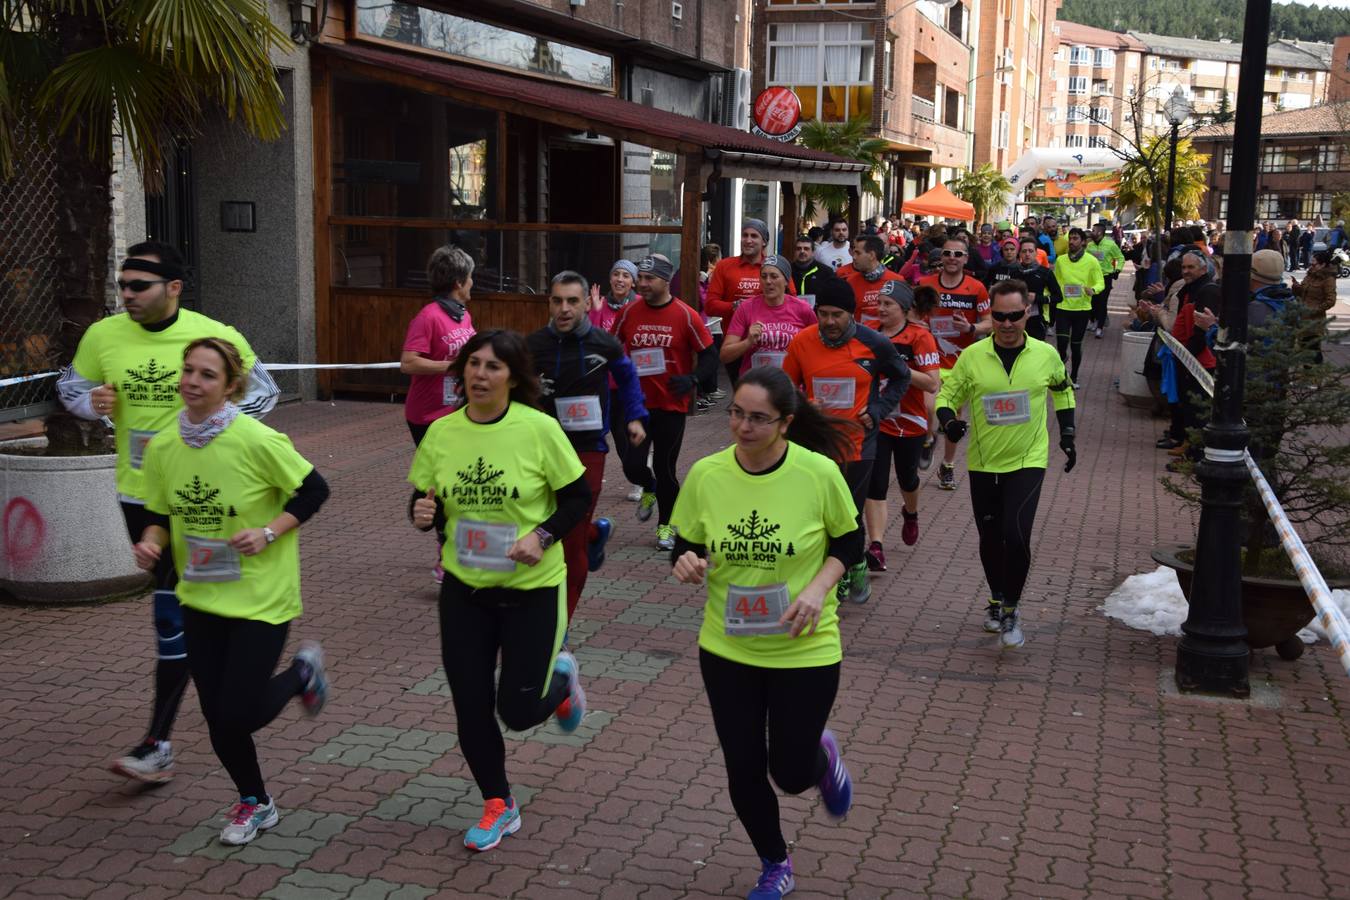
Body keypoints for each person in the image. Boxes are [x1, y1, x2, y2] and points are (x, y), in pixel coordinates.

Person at [57, 241, 279, 785]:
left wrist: (206, 425)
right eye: (121, 285)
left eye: (138, 286)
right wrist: (91, 405)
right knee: (184, 612)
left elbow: (264, 394)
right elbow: (72, 387)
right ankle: (232, 698)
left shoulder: (213, 337)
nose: (125, 295)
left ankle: (163, 738)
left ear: (173, 288)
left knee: (178, 614)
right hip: (139, 496)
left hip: (202, 501)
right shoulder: (102, 335)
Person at [668, 365, 862, 900]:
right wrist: (684, 560)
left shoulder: (817, 473)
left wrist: (820, 587)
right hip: (727, 645)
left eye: (758, 418)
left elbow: (850, 543)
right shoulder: (707, 474)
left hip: (805, 645)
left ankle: (821, 760)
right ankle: (775, 861)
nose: (743, 427)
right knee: (743, 766)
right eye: (736, 413)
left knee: (792, 773)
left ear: (785, 423)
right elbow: (685, 541)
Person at [135, 337, 329, 845]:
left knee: (237, 710)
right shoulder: (163, 445)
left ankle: (301, 674)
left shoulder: (256, 440)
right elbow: (159, 512)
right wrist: (151, 542)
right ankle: (255, 802)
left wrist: (270, 531)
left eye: (207, 375)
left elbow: (315, 490)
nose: (192, 382)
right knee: (217, 717)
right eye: (188, 371)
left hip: (262, 596)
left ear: (230, 386)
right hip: (201, 596)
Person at [407, 329, 591, 852]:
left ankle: (563, 682)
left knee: (517, 710)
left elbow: (577, 498)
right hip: (464, 591)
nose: (480, 374)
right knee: (470, 704)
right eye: (473, 364)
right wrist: (421, 515)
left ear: (513, 377)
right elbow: (428, 503)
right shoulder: (441, 433)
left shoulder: (538, 429)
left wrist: (543, 534)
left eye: (492, 366)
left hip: (531, 588)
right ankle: (499, 803)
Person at [935, 280, 1077, 649]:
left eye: (1015, 315)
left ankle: (1011, 608)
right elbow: (948, 394)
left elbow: (1062, 389)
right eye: (1000, 316)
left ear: (1027, 312)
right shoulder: (973, 356)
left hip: (1028, 459)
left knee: (1016, 535)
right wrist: (949, 421)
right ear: (991, 315)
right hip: (983, 462)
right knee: (990, 538)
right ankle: (997, 597)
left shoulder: (1045, 355)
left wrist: (1068, 434)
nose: (1008, 323)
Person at [528, 271, 648, 622]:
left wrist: (635, 417)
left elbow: (628, 378)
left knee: (571, 542)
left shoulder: (603, 343)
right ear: (549, 303)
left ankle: (560, 628)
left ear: (585, 304)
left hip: (588, 449)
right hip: (544, 448)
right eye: (557, 301)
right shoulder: (533, 346)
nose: (564, 309)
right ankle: (596, 533)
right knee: (554, 520)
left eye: (572, 301)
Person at [782, 279, 910, 604]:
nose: (828, 322)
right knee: (820, 513)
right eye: (822, 314)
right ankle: (845, 566)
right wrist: (801, 407)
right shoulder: (802, 343)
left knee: (849, 513)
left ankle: (851, 565)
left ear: (851, 314)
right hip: (816, 444)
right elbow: (783, 389)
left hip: (858, 442)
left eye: (836, 314)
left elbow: (901, 376)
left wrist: (878, 408)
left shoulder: (875, 343)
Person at [615, 254, 718, 549]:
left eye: (649, 279)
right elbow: (612, 347)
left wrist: (694, 380)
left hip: (671, 405)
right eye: (641, 278)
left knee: (665, 466)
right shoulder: (629, 312)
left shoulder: (685, 315)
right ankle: (648, 487)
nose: (642, 284)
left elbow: (710, 356)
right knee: (632, 466)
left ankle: (665, 526)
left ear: (664, 281)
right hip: (637, 405)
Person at [400, 245, 478, 583]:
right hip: (428, 416)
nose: (473, 284)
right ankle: (445, 556)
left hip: (457, 412)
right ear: (459, 281)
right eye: (470, 278)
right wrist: (451, 365)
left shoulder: (462, 314)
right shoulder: (428, 316)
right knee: (444, 486)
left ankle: (448, 546)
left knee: (453, 483)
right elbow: (409, 362)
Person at [864, 281, 940, 570]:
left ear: (904, 309)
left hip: (910, 419)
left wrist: (899, 368)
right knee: (876, 482)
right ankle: (877, 545)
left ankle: (911, 512)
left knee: (908, 479)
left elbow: (932, 382)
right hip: (877, 418)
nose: (881, 308)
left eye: (888, 304)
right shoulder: (869, 332)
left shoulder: (919, 336)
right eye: (879, 303)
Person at [918, 236, 992, 491]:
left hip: (961, 362)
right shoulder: (925, 284)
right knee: (929, 409)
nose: (952, 258)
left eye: (957, 254)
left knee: (953, 418)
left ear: (966, 259)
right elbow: (912, 314)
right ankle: (928, 439)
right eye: (947, 253)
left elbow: (989, 321)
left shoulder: (976, 288)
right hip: (929, 359)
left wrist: (971, 327)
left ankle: (947, 465)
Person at [707, 220, 794, 389]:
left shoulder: (774, 266)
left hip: (771, 342)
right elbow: (710, 306)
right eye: (744, 235)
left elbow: (792, 300)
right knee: (743, 393)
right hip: (736, 342)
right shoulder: (725, 266)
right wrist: (734, 306)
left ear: (764, 242)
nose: (748, 240)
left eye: (754, 236)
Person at [590, 258, 646, 502]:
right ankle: (634, 471)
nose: (620, 279)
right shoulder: (600, 304)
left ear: (633, 282)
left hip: (627, 381)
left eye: (625, 275)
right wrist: (594, 309)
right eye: (616, 274)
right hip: (603, 382)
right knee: (607, 431)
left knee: (625, 433)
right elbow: (592, 339)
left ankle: (638, 478)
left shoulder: (639, 306)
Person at [722, 254, 817, 377]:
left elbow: (817, 348)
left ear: (786, 281)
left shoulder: (802, 309)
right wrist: (748, 342)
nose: (768, 281)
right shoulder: (746, 308)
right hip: (755, 384)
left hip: (790, 384)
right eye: (764, 276)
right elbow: (724, 355)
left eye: (774, 276)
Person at [1051, 228, 1105, 390]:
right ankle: (1062, 363)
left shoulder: (1091, 261)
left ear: (1083, 242)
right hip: (1063, 307)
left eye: (1075, 239)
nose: (1072, 241)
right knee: (1061, 342)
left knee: (1075, 344)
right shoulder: (1061, 261)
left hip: (1082, 309)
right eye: (1070, 239)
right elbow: (1057, 281)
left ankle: (1073, 376)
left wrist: (1093, 290)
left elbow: (1099, 282)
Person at [836, 234, 907, 329]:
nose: (854, 257)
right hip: (861, 337)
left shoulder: (897, 281)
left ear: (871, 255)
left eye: (858, 253)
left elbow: (907, 313)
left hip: (891, 338)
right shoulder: (850, 281)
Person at [1009, 237, 1063, 342]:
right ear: (1019, 253)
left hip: (1037, 319)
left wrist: (1038, 298)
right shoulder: (1014, 272)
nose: (1027, 254)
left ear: (1036, 253)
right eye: (1024, 251)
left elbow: (1059, 297)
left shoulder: (1045, 272)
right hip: (1017, 318)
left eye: (1030, 251)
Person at [1086, 221, 1125, 338]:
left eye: (1093, 231)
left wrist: (1117, 270)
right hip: (1091, 278)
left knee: (1102, 302)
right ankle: (1093, 321)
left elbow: (1120, 257)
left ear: (1099, 232)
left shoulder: (1110, 245)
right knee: (1092, 302)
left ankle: (1100, 328)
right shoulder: (1090, 246)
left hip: (1105, 277)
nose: (1091, 233)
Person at [790, 234, 827, 301]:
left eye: (806, 249)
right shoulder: (787, 271)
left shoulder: (825, 272)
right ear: (794, 251)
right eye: (798, 249)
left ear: (813, 252)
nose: (802, 251)